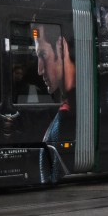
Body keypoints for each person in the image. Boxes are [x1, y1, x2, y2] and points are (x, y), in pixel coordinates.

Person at [35, 22, 76, 182]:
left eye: (43, 55)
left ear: (61, 47)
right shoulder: (65, 108)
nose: (39, 70)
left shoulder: (65, 120)